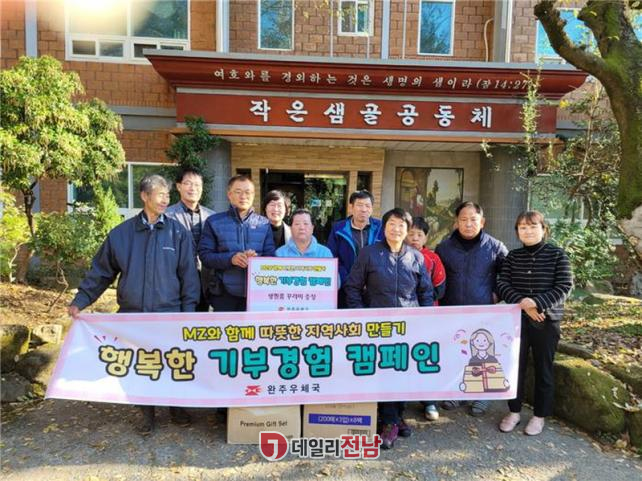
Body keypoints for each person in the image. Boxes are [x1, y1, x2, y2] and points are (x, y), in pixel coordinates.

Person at [68, 174, 200, 435]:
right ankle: (146, 414)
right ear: (144, 196)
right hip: (133, 317)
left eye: (167, 195)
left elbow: (189, 278)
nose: (165, 200)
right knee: (141, 366)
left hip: (169, 315)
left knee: (173, 363)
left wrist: (187, 314)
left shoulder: (178, 233)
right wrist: (80, 300)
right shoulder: (121, 234)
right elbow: (101, 273)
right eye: (160, 194)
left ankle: (176, 407)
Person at [344, 208, 434, 450]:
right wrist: (363, 317)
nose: (396, 229)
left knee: (403, 372)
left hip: (408, 326)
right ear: (383, 228)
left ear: (408, 230)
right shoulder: (369, 254)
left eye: (401, 225)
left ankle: (396, 416)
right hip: (378, 326)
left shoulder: (416, 257)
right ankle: (390, 422)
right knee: (384, 373)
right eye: (392, 224)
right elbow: (352, 287)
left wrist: (427, 321)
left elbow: (426, 292)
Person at [497, 210, 572, 436]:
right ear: (517, 232)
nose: (528, 231)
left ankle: (539, 416)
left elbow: (564, 286)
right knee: (514, 366)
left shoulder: (557, 255)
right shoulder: (513, 257)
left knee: (543, 369)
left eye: (532, 226)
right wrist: (523, 303)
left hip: (546, 321)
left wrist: (537, 303)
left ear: (544, 229)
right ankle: (514, 411)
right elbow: (502, 284)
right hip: (516, 321)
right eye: (522, 227)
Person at [435, 201, 508, 417]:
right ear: (456, 222)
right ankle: (457, 391)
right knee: (456, 352)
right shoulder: (444, 248)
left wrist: (497, 294)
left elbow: (508, 275)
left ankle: (483, 395)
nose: (468, 224)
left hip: (483, 311)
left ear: (482, 221)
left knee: (484, 352)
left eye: (473, 220)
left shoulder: (495, 247)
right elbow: (437, 277)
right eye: (464, 220)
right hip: (452, 309)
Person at [198, 174, 275, 312]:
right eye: (238, 192)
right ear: (229, 195)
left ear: (253, 195)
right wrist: (231, 259)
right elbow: (205, 256)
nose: (243, 196)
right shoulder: (214, 222)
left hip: (257, 293)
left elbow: (271, 258)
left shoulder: (264, 224)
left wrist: (256, 260)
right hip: (224, 294)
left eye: (248, 192)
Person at [405, 216, 446, 421]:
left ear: (426, 237)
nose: (414, 238)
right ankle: (399, 401)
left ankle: (429, 401)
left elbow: (440, 287)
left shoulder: (433, 258)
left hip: (427, 316)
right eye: (411, 233)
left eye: (419, 234)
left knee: (426, 357)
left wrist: (422, 302)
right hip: (402, 317)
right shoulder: (396, 255)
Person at [165, 168, 214, 312]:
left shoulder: (212, 217)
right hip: (176, 281)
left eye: (197, 184)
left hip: (204, 281)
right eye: (188, 183)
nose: (193, 188)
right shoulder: (167, 215)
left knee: (200, 322)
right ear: (179, 186)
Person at [327, 190, 383, 307]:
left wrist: (373, 280)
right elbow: (333, 258)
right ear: (351, 207)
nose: (364, 209)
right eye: (359, 205)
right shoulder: (338, 229)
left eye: (367, 206)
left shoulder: (381, 228)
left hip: (375, 288)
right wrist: (349, 280)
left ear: (372, 208)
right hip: (346, 287)